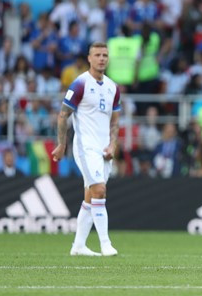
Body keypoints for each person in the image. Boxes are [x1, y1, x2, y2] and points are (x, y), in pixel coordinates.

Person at [52, 42, 121, 257]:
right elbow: (63, 115)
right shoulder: (80, 84)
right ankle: (105, 244)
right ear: (89, 58)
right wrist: (62, 144)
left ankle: (79, 246)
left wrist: (113, 145)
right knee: (99, 190)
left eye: (105, 55)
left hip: (104, 149)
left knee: (91, 197)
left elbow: (115, 122)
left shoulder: (113, 87)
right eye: (97, 55)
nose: (101, 58)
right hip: (85, 147)